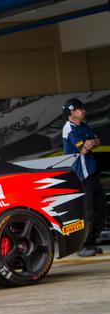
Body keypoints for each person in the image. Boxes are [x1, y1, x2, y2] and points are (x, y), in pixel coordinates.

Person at [62, 98, 106, 257]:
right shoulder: (69, 128)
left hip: (92, 173)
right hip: (81, 176)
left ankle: (92, 242)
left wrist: (92, 142)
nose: (84, 111)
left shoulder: (83, 125)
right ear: (72, 112)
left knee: (100, 206)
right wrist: (92, 143)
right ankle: (82, 246)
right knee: (87, 211)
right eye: (80, 109)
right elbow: (83, 150)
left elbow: (97, 141)